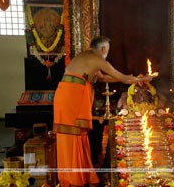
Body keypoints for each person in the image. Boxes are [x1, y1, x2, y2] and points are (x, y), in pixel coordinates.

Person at [53, 36, 152, 187]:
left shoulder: (85, 56)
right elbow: (123, 79)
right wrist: (143, 78)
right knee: (71, 136)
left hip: (66, 93)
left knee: (78, 135)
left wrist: (130, 78)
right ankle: (72, 179)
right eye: (108, 49)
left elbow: (104, 78)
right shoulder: (98, 59)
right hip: (71, 95)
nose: (108, 52)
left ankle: (81, 176)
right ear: (103, 49)